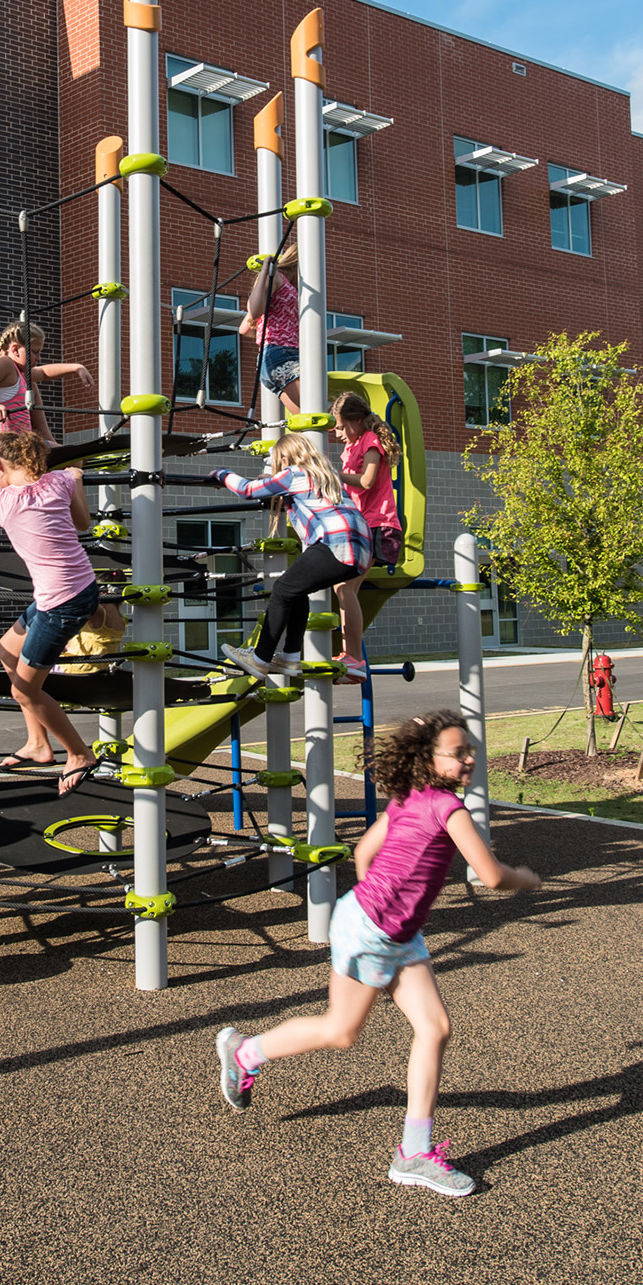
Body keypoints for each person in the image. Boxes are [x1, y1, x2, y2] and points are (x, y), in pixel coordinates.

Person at [215, 709, 542, 1197]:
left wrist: (388, 905)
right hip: (374, 932)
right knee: (340, 1031)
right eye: (457, 753)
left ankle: (414, 1153)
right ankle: (245, 1052)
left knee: (435, 1028)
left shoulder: (409, 797)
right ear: (428, 760)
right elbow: (491, 876)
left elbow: (364, 852)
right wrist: (526, 879)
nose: (469, 759)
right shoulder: (449, 810)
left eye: (470, 750)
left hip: (390, 930)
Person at [0, 430, 105, 794]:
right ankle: (37, 743)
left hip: (63, 602)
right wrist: (77, 477)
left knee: (23, 691)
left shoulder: (2, 500)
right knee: (7, 650)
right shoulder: (62, 481)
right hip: (72, 588)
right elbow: (84, 523)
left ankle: (79, 754)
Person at [212, 431, 373, 680]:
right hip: (360, 549)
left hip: (335, 543)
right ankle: (290, 658)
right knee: (296, 591)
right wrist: (273, 481)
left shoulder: (295, 474)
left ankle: (260, 658)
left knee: (282, 590)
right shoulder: (327, 475)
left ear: (285, 459)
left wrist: (221, 474)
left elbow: (247, 490)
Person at [331, 389, 403, 684]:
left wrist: (332, 475)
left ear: (356, 421)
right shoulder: (350, 448)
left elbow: (366, 481)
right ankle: (351, 656)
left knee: (345, 587)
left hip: (378, 526)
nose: (336, 433)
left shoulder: (370, 442)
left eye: (340, 426)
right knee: (343, 587)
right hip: (361, 525)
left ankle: (354, 658)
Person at [0, 318, 94, 450]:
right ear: (15, 350)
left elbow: (44, 372)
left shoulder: (22, 376)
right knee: (74, 454)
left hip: (16, 447)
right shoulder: (5, 363)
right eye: (35, 352)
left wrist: (77, 367)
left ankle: (63, 453)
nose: (39, 358)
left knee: (31, 386)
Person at [239, 244, 300, 413]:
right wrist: (265, 272)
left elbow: (244, 329)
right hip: (283, 354)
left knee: (309, 419)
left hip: (271, 357)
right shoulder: (278, 278)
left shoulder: (282, 286)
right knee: (320, 408)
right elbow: (254, 311)